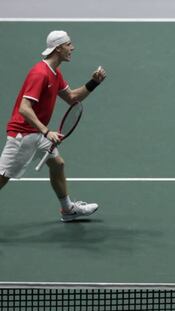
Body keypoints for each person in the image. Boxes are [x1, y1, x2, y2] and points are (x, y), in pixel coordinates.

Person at [0, 30, 106, 222]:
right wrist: (46, 131)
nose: (72, 48)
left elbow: (72, 98)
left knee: (58, 164)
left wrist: (94, 83)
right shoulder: (40, 74)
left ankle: (68, 210)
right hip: (22, 135)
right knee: (1, 178)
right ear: (58, 48)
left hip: (36, 133)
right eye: (68, 44)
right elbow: (24, 108)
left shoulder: (55, 73)